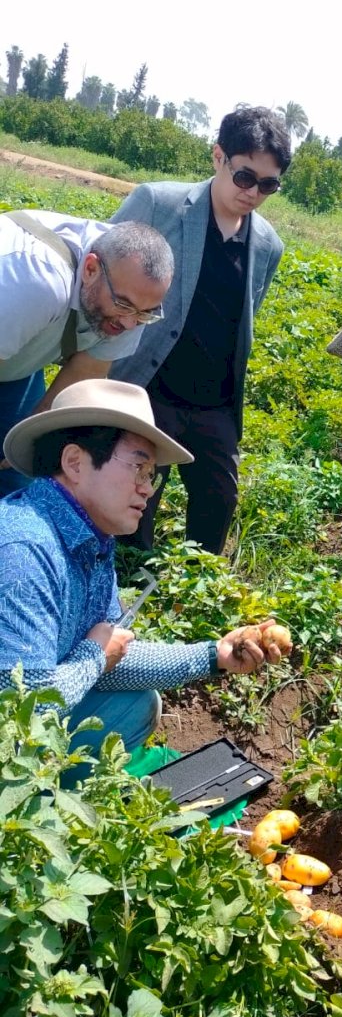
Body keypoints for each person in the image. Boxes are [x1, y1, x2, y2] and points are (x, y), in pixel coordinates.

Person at [0, 379, 289, 769]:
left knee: (136, 702)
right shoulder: (23, 549)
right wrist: (93, 658)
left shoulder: (90, 538)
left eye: (151, 474)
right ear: (74, 462)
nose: (148, 489)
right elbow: (20, 709)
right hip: (11, 728)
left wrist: (214, 656)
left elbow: (113, 654)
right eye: (138, 467)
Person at [109, 105, 292, 554]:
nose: (253, 193)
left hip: (215, 404)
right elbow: (101, 281)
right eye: (245, 177)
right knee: (134, 519)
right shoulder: (159, 204)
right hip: (151, 389)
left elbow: (243, 320)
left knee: (217, 508)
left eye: (268, 185)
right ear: (218, 158)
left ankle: (195, 599)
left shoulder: (268, 245)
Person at [0, 211, 174, 497]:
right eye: (124, 306)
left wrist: (29, 445)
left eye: (144, 314)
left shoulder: (135, 298)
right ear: (90, 269)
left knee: (20, 467)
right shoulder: (37, 281)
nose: (130, 323)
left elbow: (83, 375)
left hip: (16, 361)